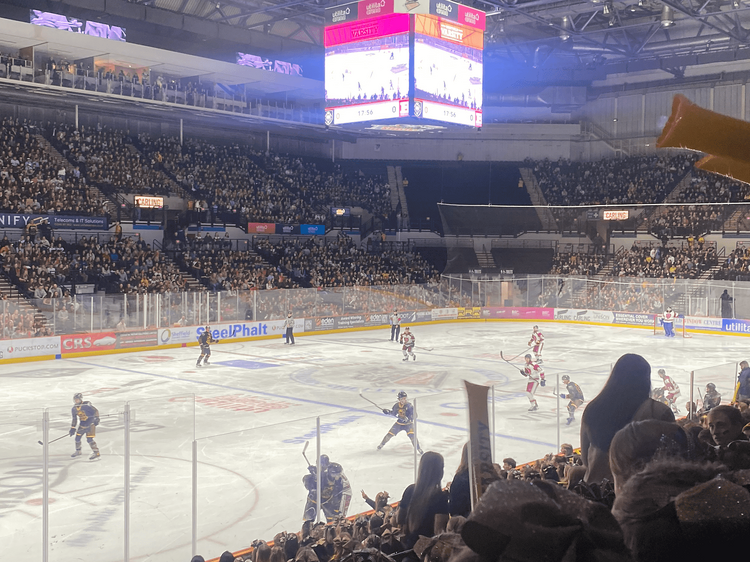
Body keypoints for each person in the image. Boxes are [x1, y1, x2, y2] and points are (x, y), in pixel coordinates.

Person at [580, 353, 674, 483]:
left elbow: (585, 459)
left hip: (596, 492)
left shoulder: (593, 408)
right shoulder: (658, 412)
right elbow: (672, 459)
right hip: (640, 493)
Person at [397, 451, 449, 549]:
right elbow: (439, 532)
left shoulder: (409, 490)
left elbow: (400, 519)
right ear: (439, 472)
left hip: (408, 548)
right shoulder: (440, 497)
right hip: (426, 552)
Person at [69, 393, 100, 460]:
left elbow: (95, 411)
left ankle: (96, 452)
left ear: (80, 399)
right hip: (82, 424)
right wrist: (72, 427)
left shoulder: (86, 405)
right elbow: (74, 419)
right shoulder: (74, 409)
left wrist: (96, 418)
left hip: (90, 423)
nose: (76, 401)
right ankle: (78, 451)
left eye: (78, 399)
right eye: (75, 399)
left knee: (89, 439)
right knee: (77, 438)